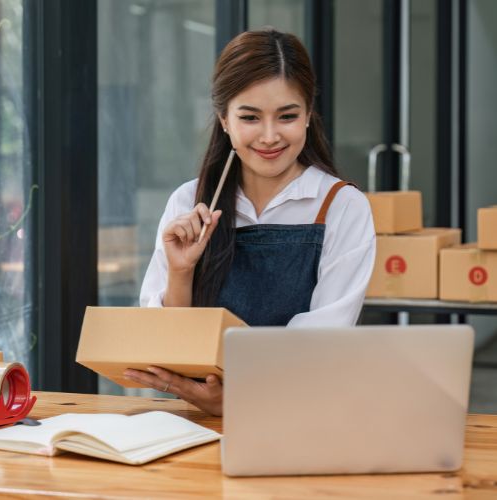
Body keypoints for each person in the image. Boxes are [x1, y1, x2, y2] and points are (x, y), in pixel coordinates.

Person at [123, 29, 376, 416]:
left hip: (304, 417)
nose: (270, 136)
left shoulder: (342, 206)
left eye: (287, 116)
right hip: (198, 422)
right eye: (250, 117)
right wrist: (180, 271)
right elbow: (165, 346)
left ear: (308, 115)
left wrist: (242, 396)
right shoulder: (188, 202)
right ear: (224, 119)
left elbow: (324, 338)